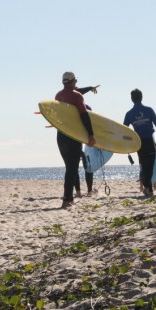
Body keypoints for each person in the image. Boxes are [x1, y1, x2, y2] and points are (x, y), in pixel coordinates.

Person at [55, 72, 96, 208]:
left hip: (60, 136)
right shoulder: (76, 96)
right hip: (73, 136)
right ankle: (67, 199)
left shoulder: (58, 96)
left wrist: (89, 88)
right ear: (73, 82)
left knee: (69, 167)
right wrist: (91, 134)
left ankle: (70, 197)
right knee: (72, 168)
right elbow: (84, 115)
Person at [123, 88, 156, 197]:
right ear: (141, 98)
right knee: (150, 165)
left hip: (139, 142)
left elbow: (124, 130)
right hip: (151, 141)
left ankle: (147, 188)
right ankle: (149, 188)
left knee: (144, 165)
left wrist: (126, 144)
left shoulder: (129, 114)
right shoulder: (149, 110)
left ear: (132, 99)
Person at [75, 85, 100, 198]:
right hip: (85, 139)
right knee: (88, 166)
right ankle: (89, 191)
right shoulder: (87, 107)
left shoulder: (67, 107)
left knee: (74, 166)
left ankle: (79, 192)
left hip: (75, 138)